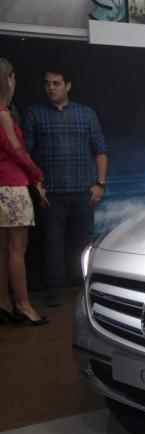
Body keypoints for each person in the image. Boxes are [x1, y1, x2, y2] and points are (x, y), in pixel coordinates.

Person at [24, 65, 109, 308]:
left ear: (67, 86)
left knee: (85, 244)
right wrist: (36, 185)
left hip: (84, 192)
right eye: (47, 83)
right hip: (50, 194)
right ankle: (53, 293)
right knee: (52, 244)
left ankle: (88, 288)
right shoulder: (35, 114)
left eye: (56, 83)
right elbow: (26, 153)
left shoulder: (86, 113)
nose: (51, 88)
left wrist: (100, 184)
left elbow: (101, 149)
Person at [0, 58, 48, 326]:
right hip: (13, 187)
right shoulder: (3, 113)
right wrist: (37, 176)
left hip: (2, 185)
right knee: (18, 248)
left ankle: (4, 303)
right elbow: (18, 152)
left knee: (4, 248)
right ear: (7, 80)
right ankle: (23, 305)